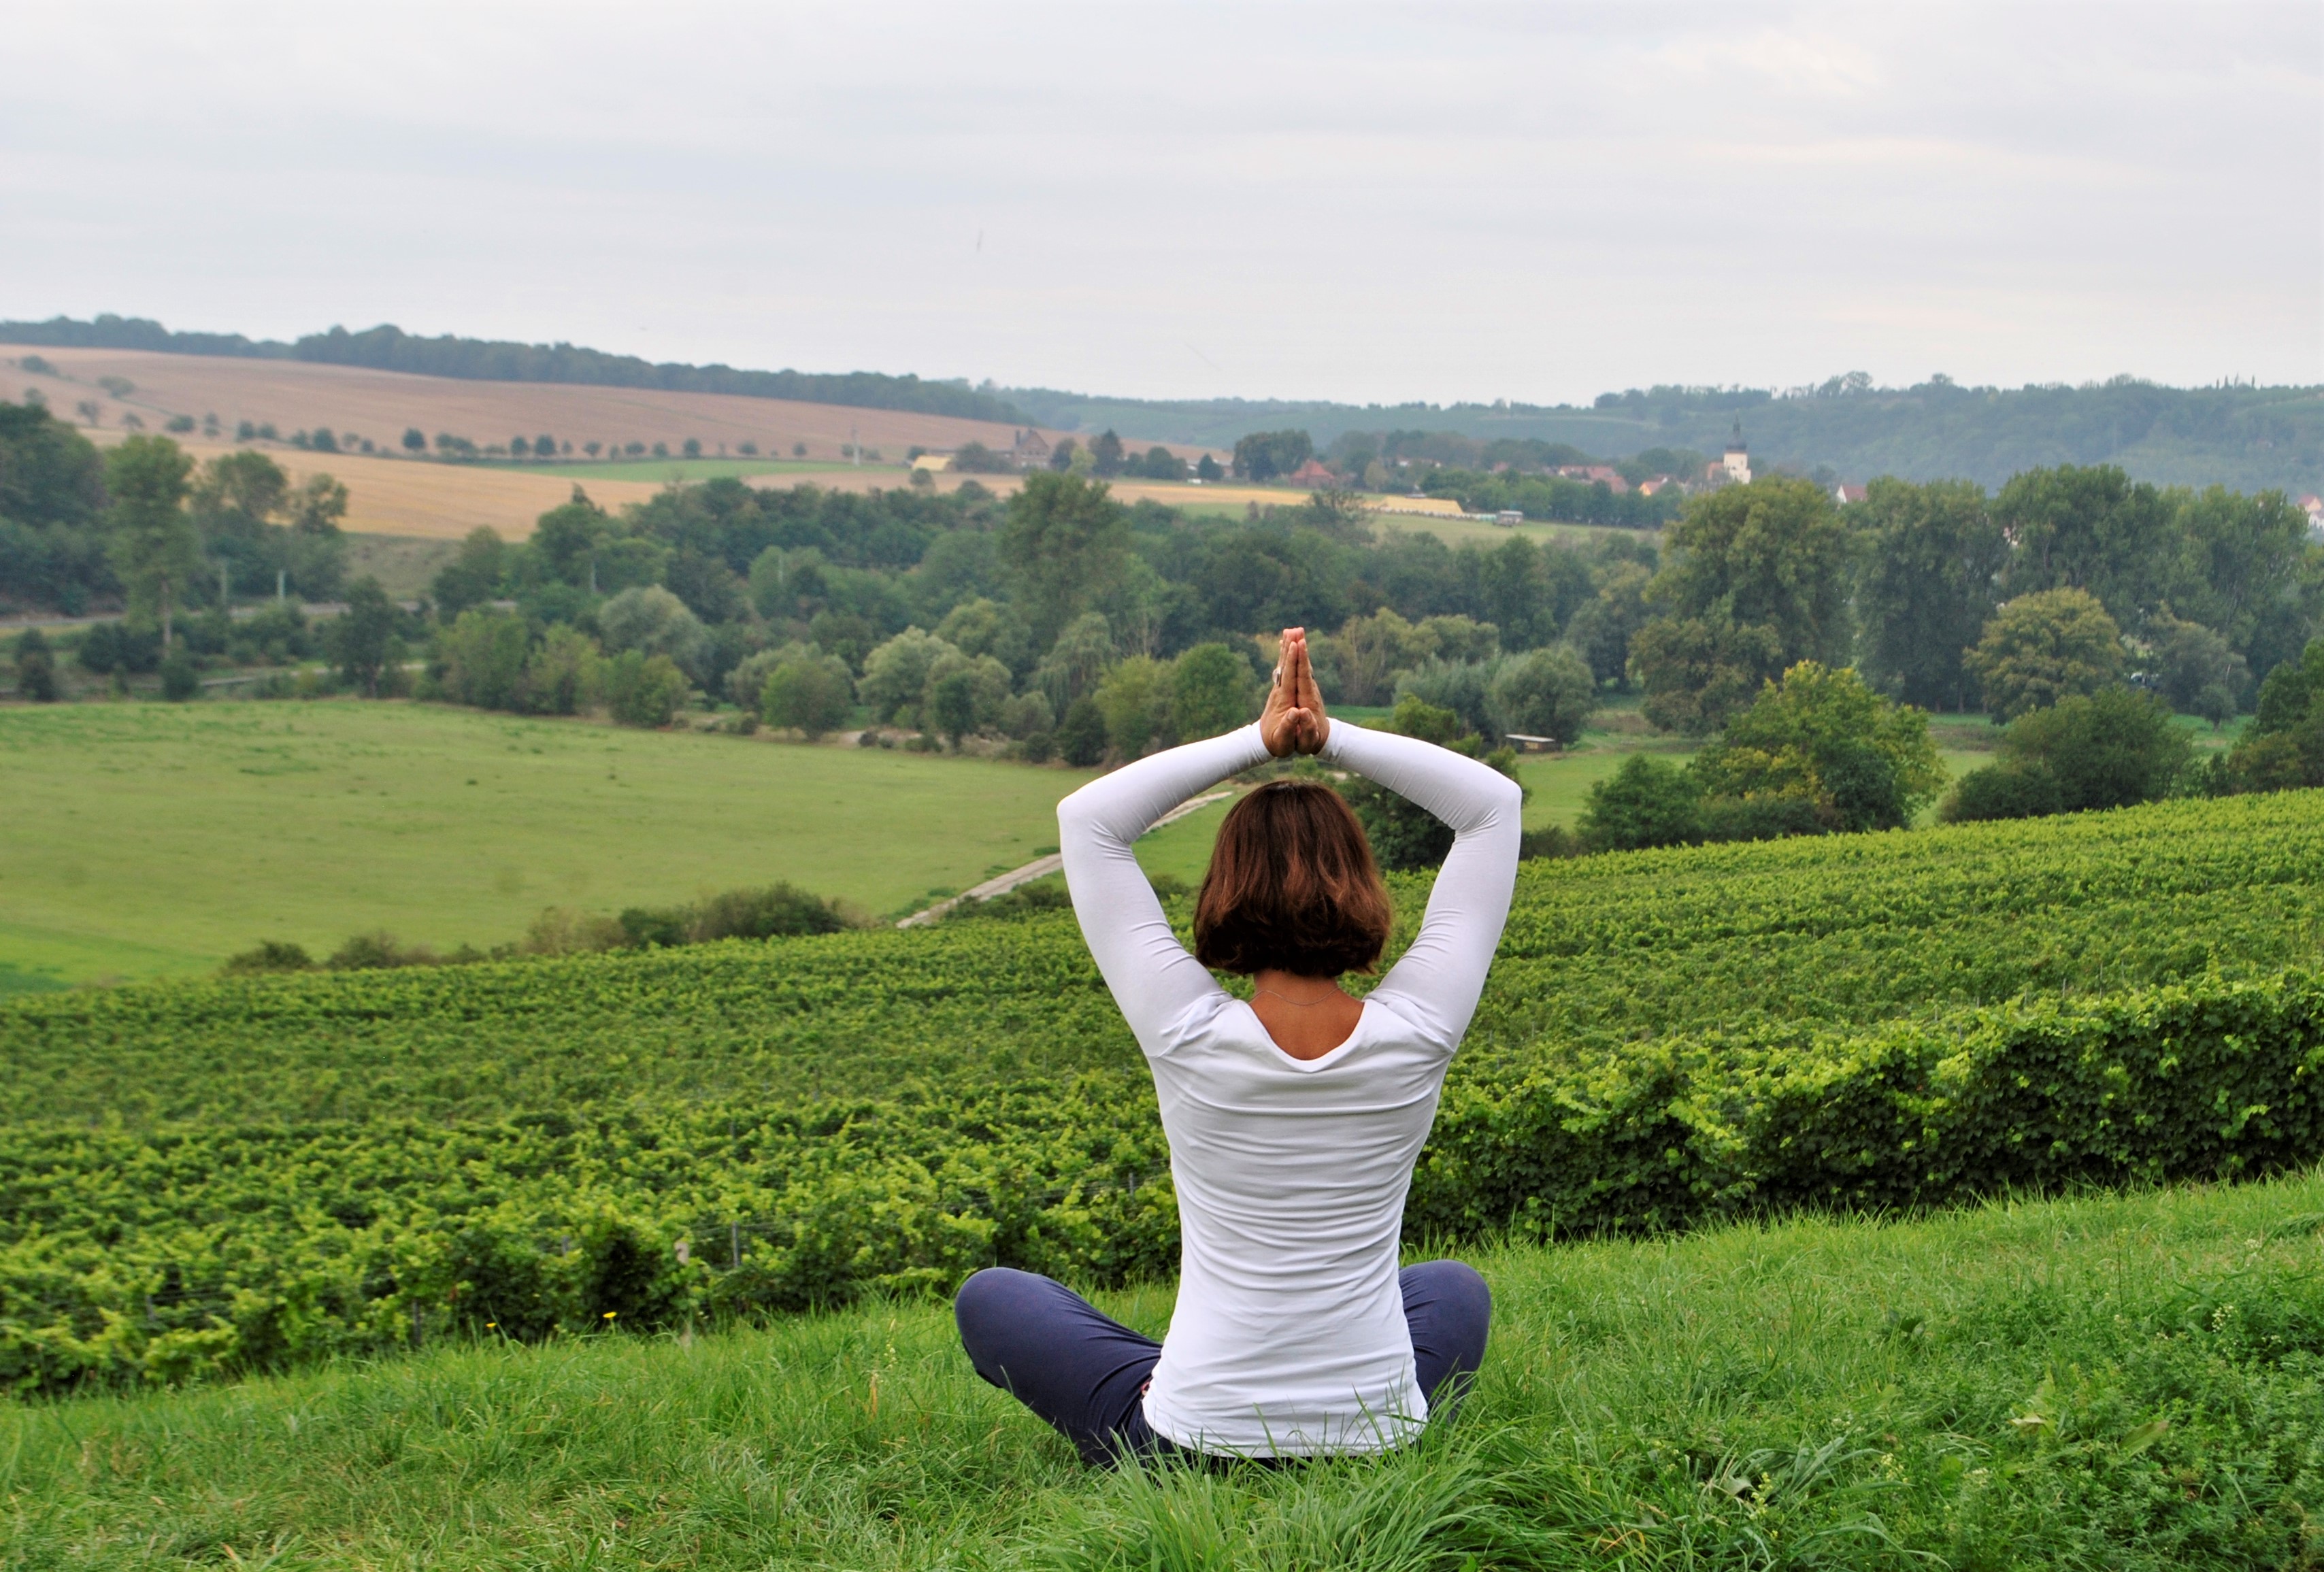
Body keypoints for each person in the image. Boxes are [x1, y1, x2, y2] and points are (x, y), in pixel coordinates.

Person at [954, 625, 1523, 1465]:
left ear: (1223, 895)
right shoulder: (1419, 1031)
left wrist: (1258, 742)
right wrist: (1331, 739)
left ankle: (1171, 1382)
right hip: (1376, 1438)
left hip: (1191, 1439)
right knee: (1451, 1288)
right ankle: (1288, 1390)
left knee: (992, 1297)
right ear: (1362, 890)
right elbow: (1491, 807)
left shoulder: (1186, 1031)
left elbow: (1089, 819)